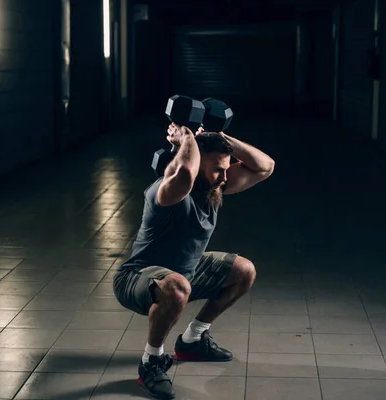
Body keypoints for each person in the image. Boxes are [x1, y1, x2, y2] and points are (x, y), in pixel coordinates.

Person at [113, 122, 275, 399]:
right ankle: (151, 362)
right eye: (217, 169)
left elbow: (265, 166)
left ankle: (193, 340)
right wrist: (186, 137)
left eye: (227, 168)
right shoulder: (167, 191)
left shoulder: (213, 187)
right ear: (198, 163)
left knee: (244, 270)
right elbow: (185, 173)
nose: (225, 176)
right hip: (136, 277)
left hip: (184, 274)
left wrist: (220, 138)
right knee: (177, 287)